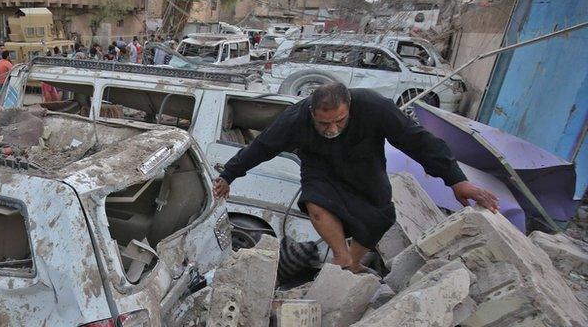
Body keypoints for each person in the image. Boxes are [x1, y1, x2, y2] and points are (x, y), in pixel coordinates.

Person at [213, 82, 499, 273]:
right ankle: (340, 256)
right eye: (324, 123)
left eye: (340, 120)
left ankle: (352, 262)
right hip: (320, 170)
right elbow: (262, 147)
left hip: (366, 170)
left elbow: (417, 140)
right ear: (311, 112)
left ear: (349, 107)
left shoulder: (374, 106)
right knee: (315, 201)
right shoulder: (295, 119)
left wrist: (457, 180)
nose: (332, 128)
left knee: (380, 216)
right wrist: (229, 175)